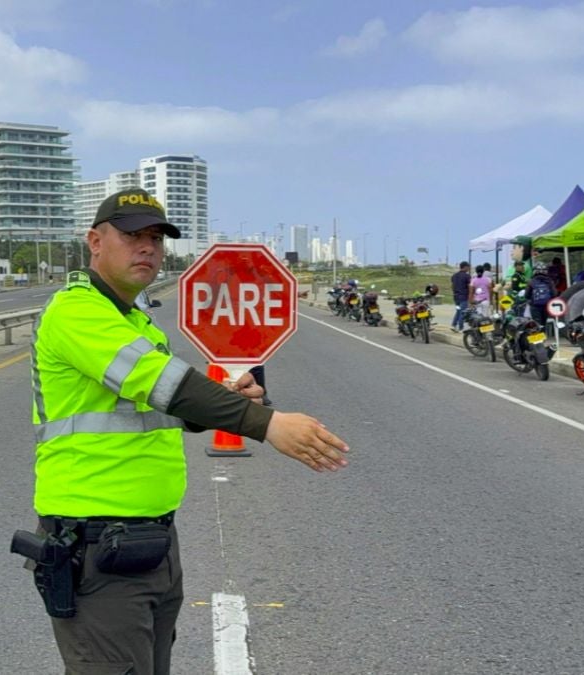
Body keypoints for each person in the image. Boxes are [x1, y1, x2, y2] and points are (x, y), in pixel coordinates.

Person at [18, 187, 349, 674]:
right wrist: (267, 424)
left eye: (156, 238)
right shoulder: (76, 310)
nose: (147, 248)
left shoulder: (135, 321)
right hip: (94, 543)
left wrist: (226, 402)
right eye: (132, 236)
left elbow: (162, 406)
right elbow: (165, 384)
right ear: (95, 241)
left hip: (150, 540)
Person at [528, 261, 555, 326]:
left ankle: (539, 332)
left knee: (537, 324)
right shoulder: (549, 281)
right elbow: (554, 294)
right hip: (547, 306)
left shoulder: (531, 281)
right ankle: (545, 332)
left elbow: (526, 295)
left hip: (535, 306)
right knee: (546, 322)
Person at [450, 261, 471, 332]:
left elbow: (452, 286)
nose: (468, 268)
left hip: (456, 297)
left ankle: (453, 325)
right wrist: (470, 296)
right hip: (463, 297)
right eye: (468, 267)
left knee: (458, 311)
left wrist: (455, 293)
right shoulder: (467, 276)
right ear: (465, 267)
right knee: (463, 312)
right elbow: (469, 287)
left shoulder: (454, 276)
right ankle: (460, 327)